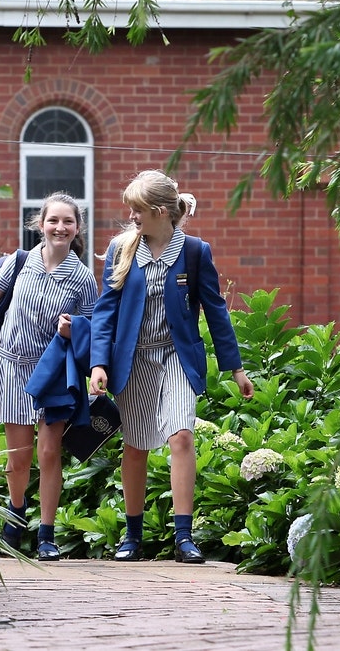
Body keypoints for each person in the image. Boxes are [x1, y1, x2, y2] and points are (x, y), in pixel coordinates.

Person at [89, 170, 255, 564]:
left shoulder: (195, 252)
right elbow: (105, 311)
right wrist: (98, 363)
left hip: (176, 357)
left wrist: (236, 368)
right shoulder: (121, 249)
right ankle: (132, 537)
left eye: (138, 210)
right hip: (133, 358)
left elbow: (216, 310)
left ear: (161, 212)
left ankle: (184, 537)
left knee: (181, 436)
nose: (131, 216)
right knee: (136, 445)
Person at [0, 192, 98, 560]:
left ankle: (46, 535)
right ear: (40, 225)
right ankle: (14, 517)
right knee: (19, 456)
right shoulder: (18, 262)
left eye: (67, 221)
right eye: (53, 220)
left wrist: (76, 331)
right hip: (10, 368)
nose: (60, 227)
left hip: (53, 373)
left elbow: (94, 330)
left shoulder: (83, 278)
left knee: (49, 453)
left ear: (77, 228)